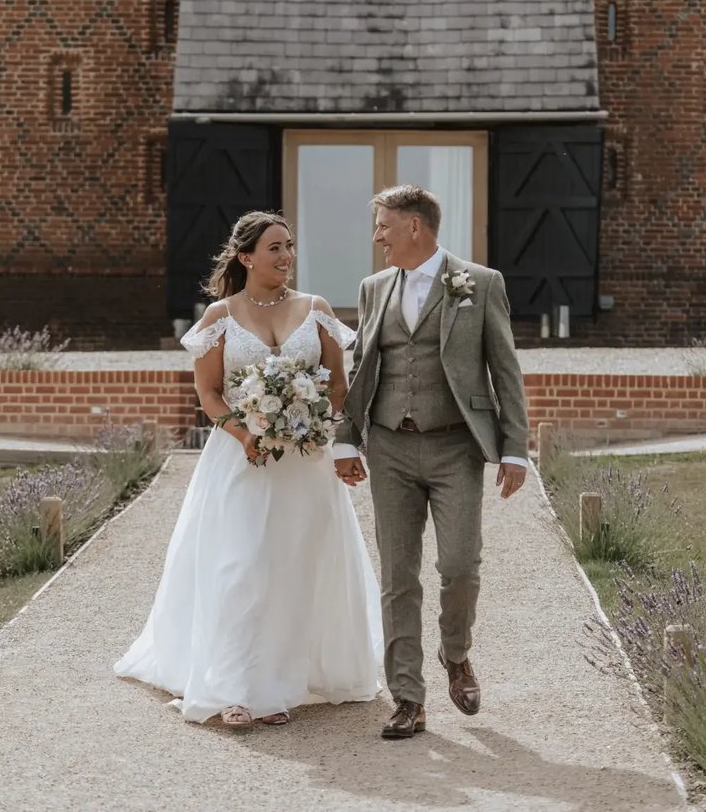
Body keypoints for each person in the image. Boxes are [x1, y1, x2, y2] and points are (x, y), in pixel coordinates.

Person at [115, 211, 382, 728]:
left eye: (289, 247)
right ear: (246, 257)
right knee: (239, 566)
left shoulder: (316, 309)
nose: (286, 257)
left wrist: (328, 435)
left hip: (305, 463)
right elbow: (209, 393)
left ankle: (278, 683)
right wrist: (245, 434)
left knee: (295, 568)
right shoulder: (220, 316)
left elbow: (338, 388)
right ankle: (233, 688)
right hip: (241, 460)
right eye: (275, 248)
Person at [333, 184, 530, 740]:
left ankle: (456, 654)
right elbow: (363, 367)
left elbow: (505, 371)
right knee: (398, 577)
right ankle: (408, 698)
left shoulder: (481, 284)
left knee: (461, 566)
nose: (376, 238)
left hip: (455, 447)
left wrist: (514, 448)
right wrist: (346, 438)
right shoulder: (374, 289)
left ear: (414, 227)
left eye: (383, 227)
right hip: (390, 445)